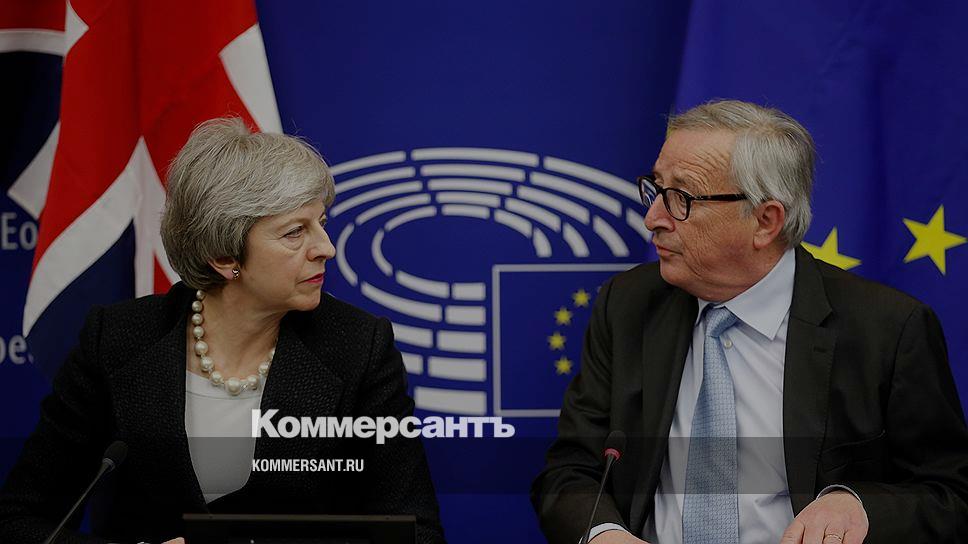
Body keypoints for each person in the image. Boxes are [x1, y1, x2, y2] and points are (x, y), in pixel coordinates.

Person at [531, 100, 968, 544]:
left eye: (682, 198)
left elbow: (951, 495)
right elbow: (570, 471)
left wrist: (858, 505)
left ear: (765, 221)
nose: (653, 218)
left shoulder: (887, 329)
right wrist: (604, 534)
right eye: (656, 189)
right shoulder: (628, 305)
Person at [0, 118, 446, 543]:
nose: (326, 248)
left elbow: (417, 532)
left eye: (321, 224)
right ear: (224, 256)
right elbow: (19, 521)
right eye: (295, 233)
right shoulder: (117, 340)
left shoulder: (359, 348)